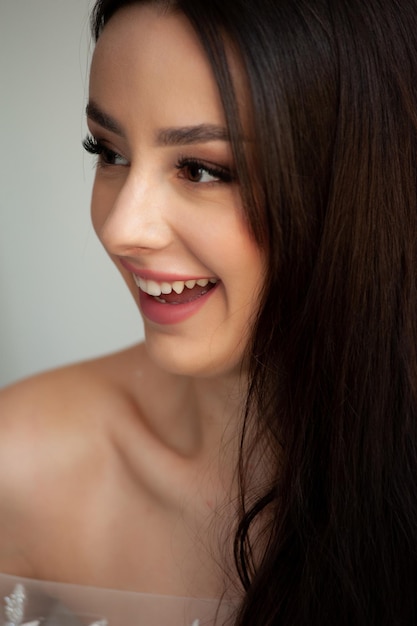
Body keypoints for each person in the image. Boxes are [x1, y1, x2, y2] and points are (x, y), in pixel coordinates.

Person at [0, 0, 417, 624]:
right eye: (109, 151)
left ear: (358, 178)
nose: (121, 229)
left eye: (202, 169)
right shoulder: (19, 463)